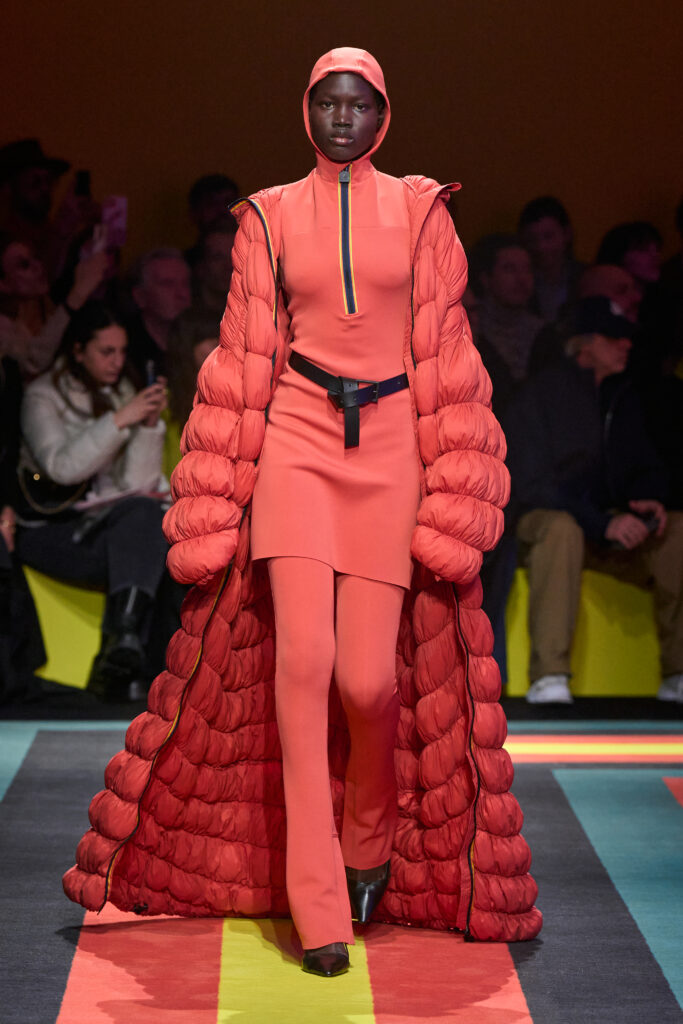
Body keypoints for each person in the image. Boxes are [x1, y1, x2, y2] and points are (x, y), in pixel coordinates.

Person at [63, 48, 541, 976]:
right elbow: (246, 351)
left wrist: (456, 477)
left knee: (367, 683)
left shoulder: (423, 212)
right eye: (327, 103)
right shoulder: (269, 215)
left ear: (383, 115)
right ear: (307, 111)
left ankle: (369, 835)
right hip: (297, 440)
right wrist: (211, 489)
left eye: (359, 105)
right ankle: (316, 903)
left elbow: (446, 347)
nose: (342, 118)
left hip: (391, 448)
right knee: (302, 669)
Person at [505, 296, 683, 705]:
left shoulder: (624, 394)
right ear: (585, 344)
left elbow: (643, 464)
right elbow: (534, 484)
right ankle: (549, 675)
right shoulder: (545, 392)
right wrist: (601, 523)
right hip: (545, 523)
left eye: (627, 337)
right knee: (561, 529)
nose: (626, 345)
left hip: (603, 526)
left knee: (677, 531)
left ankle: (678, 674)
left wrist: (647, 498)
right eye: (613, 337)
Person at [15, 302, 172, 701]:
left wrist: (148, 427)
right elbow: (62, 468)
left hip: (109, 527)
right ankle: (122, 650)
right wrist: (119, 420)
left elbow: (137, 485)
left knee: (152, 521)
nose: (117, 361)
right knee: (144, 531)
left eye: (122, 351)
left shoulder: (120, 392)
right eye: (107, 351)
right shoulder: (43, 396)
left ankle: (128, 649)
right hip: (51, 529)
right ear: (78, 350)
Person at [0, 234, 107, 378]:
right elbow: (32, 363)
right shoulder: (3, 327)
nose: (38, 266)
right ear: (3, 284)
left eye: (35, 258)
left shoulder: (27, 311)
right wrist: (76, 297)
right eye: (24, 265)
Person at [0, 138, 99, 284]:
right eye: (35, 182)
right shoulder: (6, 242)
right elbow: (37, 282)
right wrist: (64, 223)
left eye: (49, 181)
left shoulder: (52, 233)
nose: (45, 189)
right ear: (7, 189)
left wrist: (98, 227)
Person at [468, 233, 544, 417]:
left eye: (527, 269)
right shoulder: (471, 327)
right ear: (486, 278)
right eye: (509, 269)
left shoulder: (544, 335)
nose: (521, 279)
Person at [124, 248, 192, 383]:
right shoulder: (125, 348)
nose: (182, 294)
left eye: (185, 284)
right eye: (167, 284)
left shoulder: (199, 343)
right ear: (140, 296)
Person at [518, 195, 584, 324]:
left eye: (548, 237)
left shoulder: (585, 278)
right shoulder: (519, 283)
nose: (540, 246)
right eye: (532, 239)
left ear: (567, 234)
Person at [184, 173, 239, 268]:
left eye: (229, 203)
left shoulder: (259, 261)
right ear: (194, 213)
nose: (222, 210)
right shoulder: (180, 267)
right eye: (212, 204)